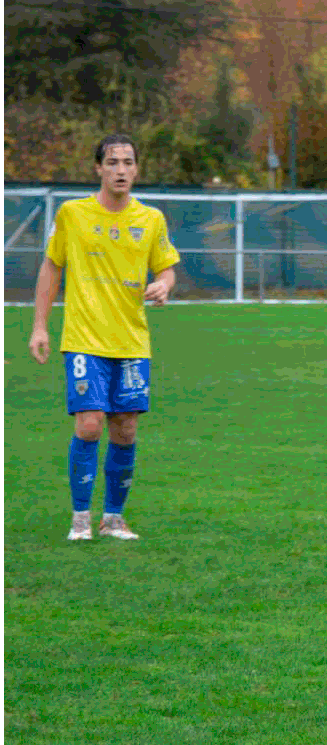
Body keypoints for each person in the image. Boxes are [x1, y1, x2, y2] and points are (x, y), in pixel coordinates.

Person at [28, 134, 180, 541]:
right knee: (90, 424)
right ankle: (80, 517)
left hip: (131, 342)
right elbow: (51, 268)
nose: (120, 170)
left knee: (125, 429)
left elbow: (166, 268)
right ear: (98, 168)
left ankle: (113, 517)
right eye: (112, 162)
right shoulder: (73, 214)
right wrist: (40, 326)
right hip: (83, 338)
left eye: (128, 163)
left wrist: (165, 285)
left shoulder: (151, 220)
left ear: (136, 169)